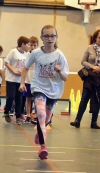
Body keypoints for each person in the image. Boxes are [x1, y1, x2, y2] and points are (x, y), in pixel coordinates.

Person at [19, 25, 69, 160]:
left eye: (52, 36)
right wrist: (22, 83)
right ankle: (43, 146)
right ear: (42, 37)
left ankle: (40, 133)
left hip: (54, 90)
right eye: (46, 36)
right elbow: (25, 68)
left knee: (46, 119)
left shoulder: (60, 56)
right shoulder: (36, 53)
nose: (49, 38)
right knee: (40, 114)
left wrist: (59, 71)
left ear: (56, 37)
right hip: (39, 87)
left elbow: (65, 77)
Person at [70, 29, 100, 129]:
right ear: (95, 38)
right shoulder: (89, 48)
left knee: (97, 99)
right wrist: (93, 67)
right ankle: (77, 120)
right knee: (85, 98)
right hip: (90, 76)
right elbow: (83, 62)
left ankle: (94, 122)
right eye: (99, 37)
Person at [2, 36, 30, 125]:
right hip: (11, 79)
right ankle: (6, 112)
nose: (29, 47)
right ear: (23, 44)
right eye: (28, 44)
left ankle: (18, 116)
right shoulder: (13, 52)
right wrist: (14, 71)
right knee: (11, 96)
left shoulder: (26, 54)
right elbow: (6, 62)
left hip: (20, 80)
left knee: (19, 98)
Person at [23, 36, 39, 123]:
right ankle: (28, 115)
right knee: (28, 98)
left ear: (37, 46)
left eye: (35, 45)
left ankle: (36, 115)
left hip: (36, 81)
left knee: (37, 99)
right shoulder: (26, 55)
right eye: (31, 45)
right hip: (28, 80)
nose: (32, 47)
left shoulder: (39, 55)